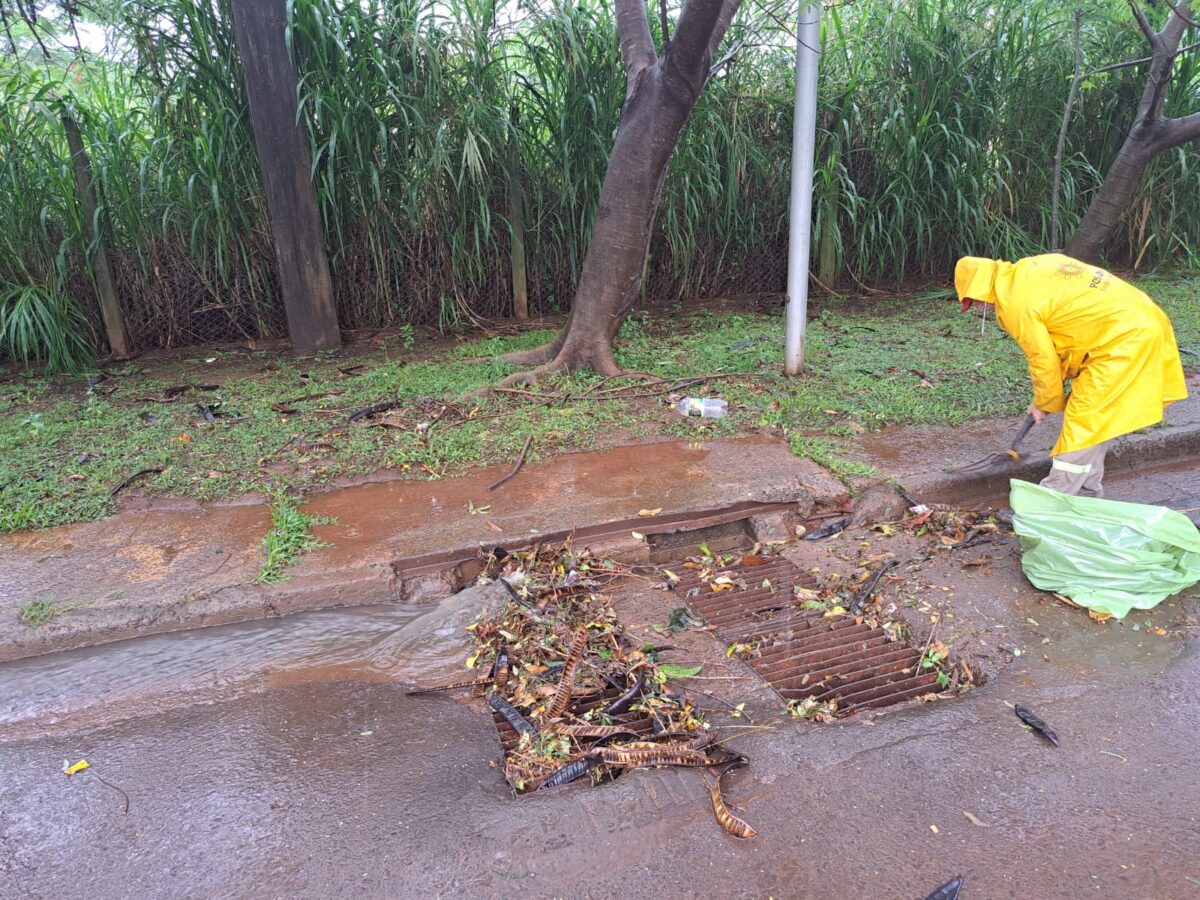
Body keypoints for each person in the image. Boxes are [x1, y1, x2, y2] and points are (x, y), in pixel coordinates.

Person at [954, 253, 1187, 497]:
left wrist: (1045, 402)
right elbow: (1066, 324)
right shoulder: (1029, 268)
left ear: (980, 290)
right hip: (1140, 318)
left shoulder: (1014, 304)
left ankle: (1050, 501)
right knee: (1096, 420)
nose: (981, 308)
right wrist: (1043, 400)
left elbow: (1043, 360)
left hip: (1122, 340)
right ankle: (1086, 493)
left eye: (975, 302)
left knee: (1083, 423)